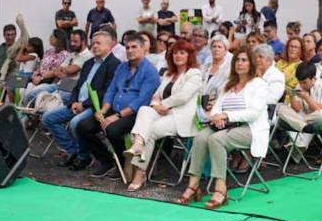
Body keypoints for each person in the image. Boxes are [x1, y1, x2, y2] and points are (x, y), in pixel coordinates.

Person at [179, 50, 268, 210]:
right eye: (237, 60)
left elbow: (254, 112)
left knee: (216, 139)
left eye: (244, 60)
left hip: (250, 128)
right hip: (224, 125)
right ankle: (194, 184)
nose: (240, 63)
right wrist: (216, 117)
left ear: (251, 64)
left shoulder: (258, 84)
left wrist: (226, 115)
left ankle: (221, 189)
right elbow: (215, 109)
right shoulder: (229, 84)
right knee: (199, 137)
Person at [74, 34, 161, 178]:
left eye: (134, 47)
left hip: (135, 114)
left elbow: (141, 100)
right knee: (83, 127)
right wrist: (103, 111)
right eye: (127, 47)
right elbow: (111, 90)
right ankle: (106, 160)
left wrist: (117, 116)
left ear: (143, 49)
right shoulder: (122, 67)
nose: (130, 50)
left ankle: (121, 163)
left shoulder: (150, 72)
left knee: (112, 129)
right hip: (114, 110)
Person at [123, 40, 203, 191]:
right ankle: (138, 144)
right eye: (175, 52)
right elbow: (156, 95)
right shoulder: (168, 74)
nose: (177, 56)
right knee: (144, 110)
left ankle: (140, 174)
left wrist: (162, 105)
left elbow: (183, 97)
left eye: (182, 52)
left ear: (189, 56)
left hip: (182, 117)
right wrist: (155, 105)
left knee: (149, 131)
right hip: (163, 113)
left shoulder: (194, 74)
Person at [47, 31, 121, 170]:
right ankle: (74, 150)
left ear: (109, 45)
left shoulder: (114, 64)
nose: (94, 46)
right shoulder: (88, 63)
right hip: (77, 103)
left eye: (98, 43)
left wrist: (84, 104)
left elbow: (106, 91)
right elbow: (78, 85)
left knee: (76, 123)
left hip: (95, 107)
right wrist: (74, 101)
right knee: (48, 118)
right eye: (93, 43)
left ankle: (84, 157)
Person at [278, 61, 322, 151]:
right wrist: (292, 96)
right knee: (281, 109)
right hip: (305, 122)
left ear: (313, 78)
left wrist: (307, 98)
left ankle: (299, 139)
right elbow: (297, 109)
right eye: (300, 82)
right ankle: (300, 141)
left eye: (304, 82)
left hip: (319, 119)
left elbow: (318, 110)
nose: (302, 85)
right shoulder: (299, 86)